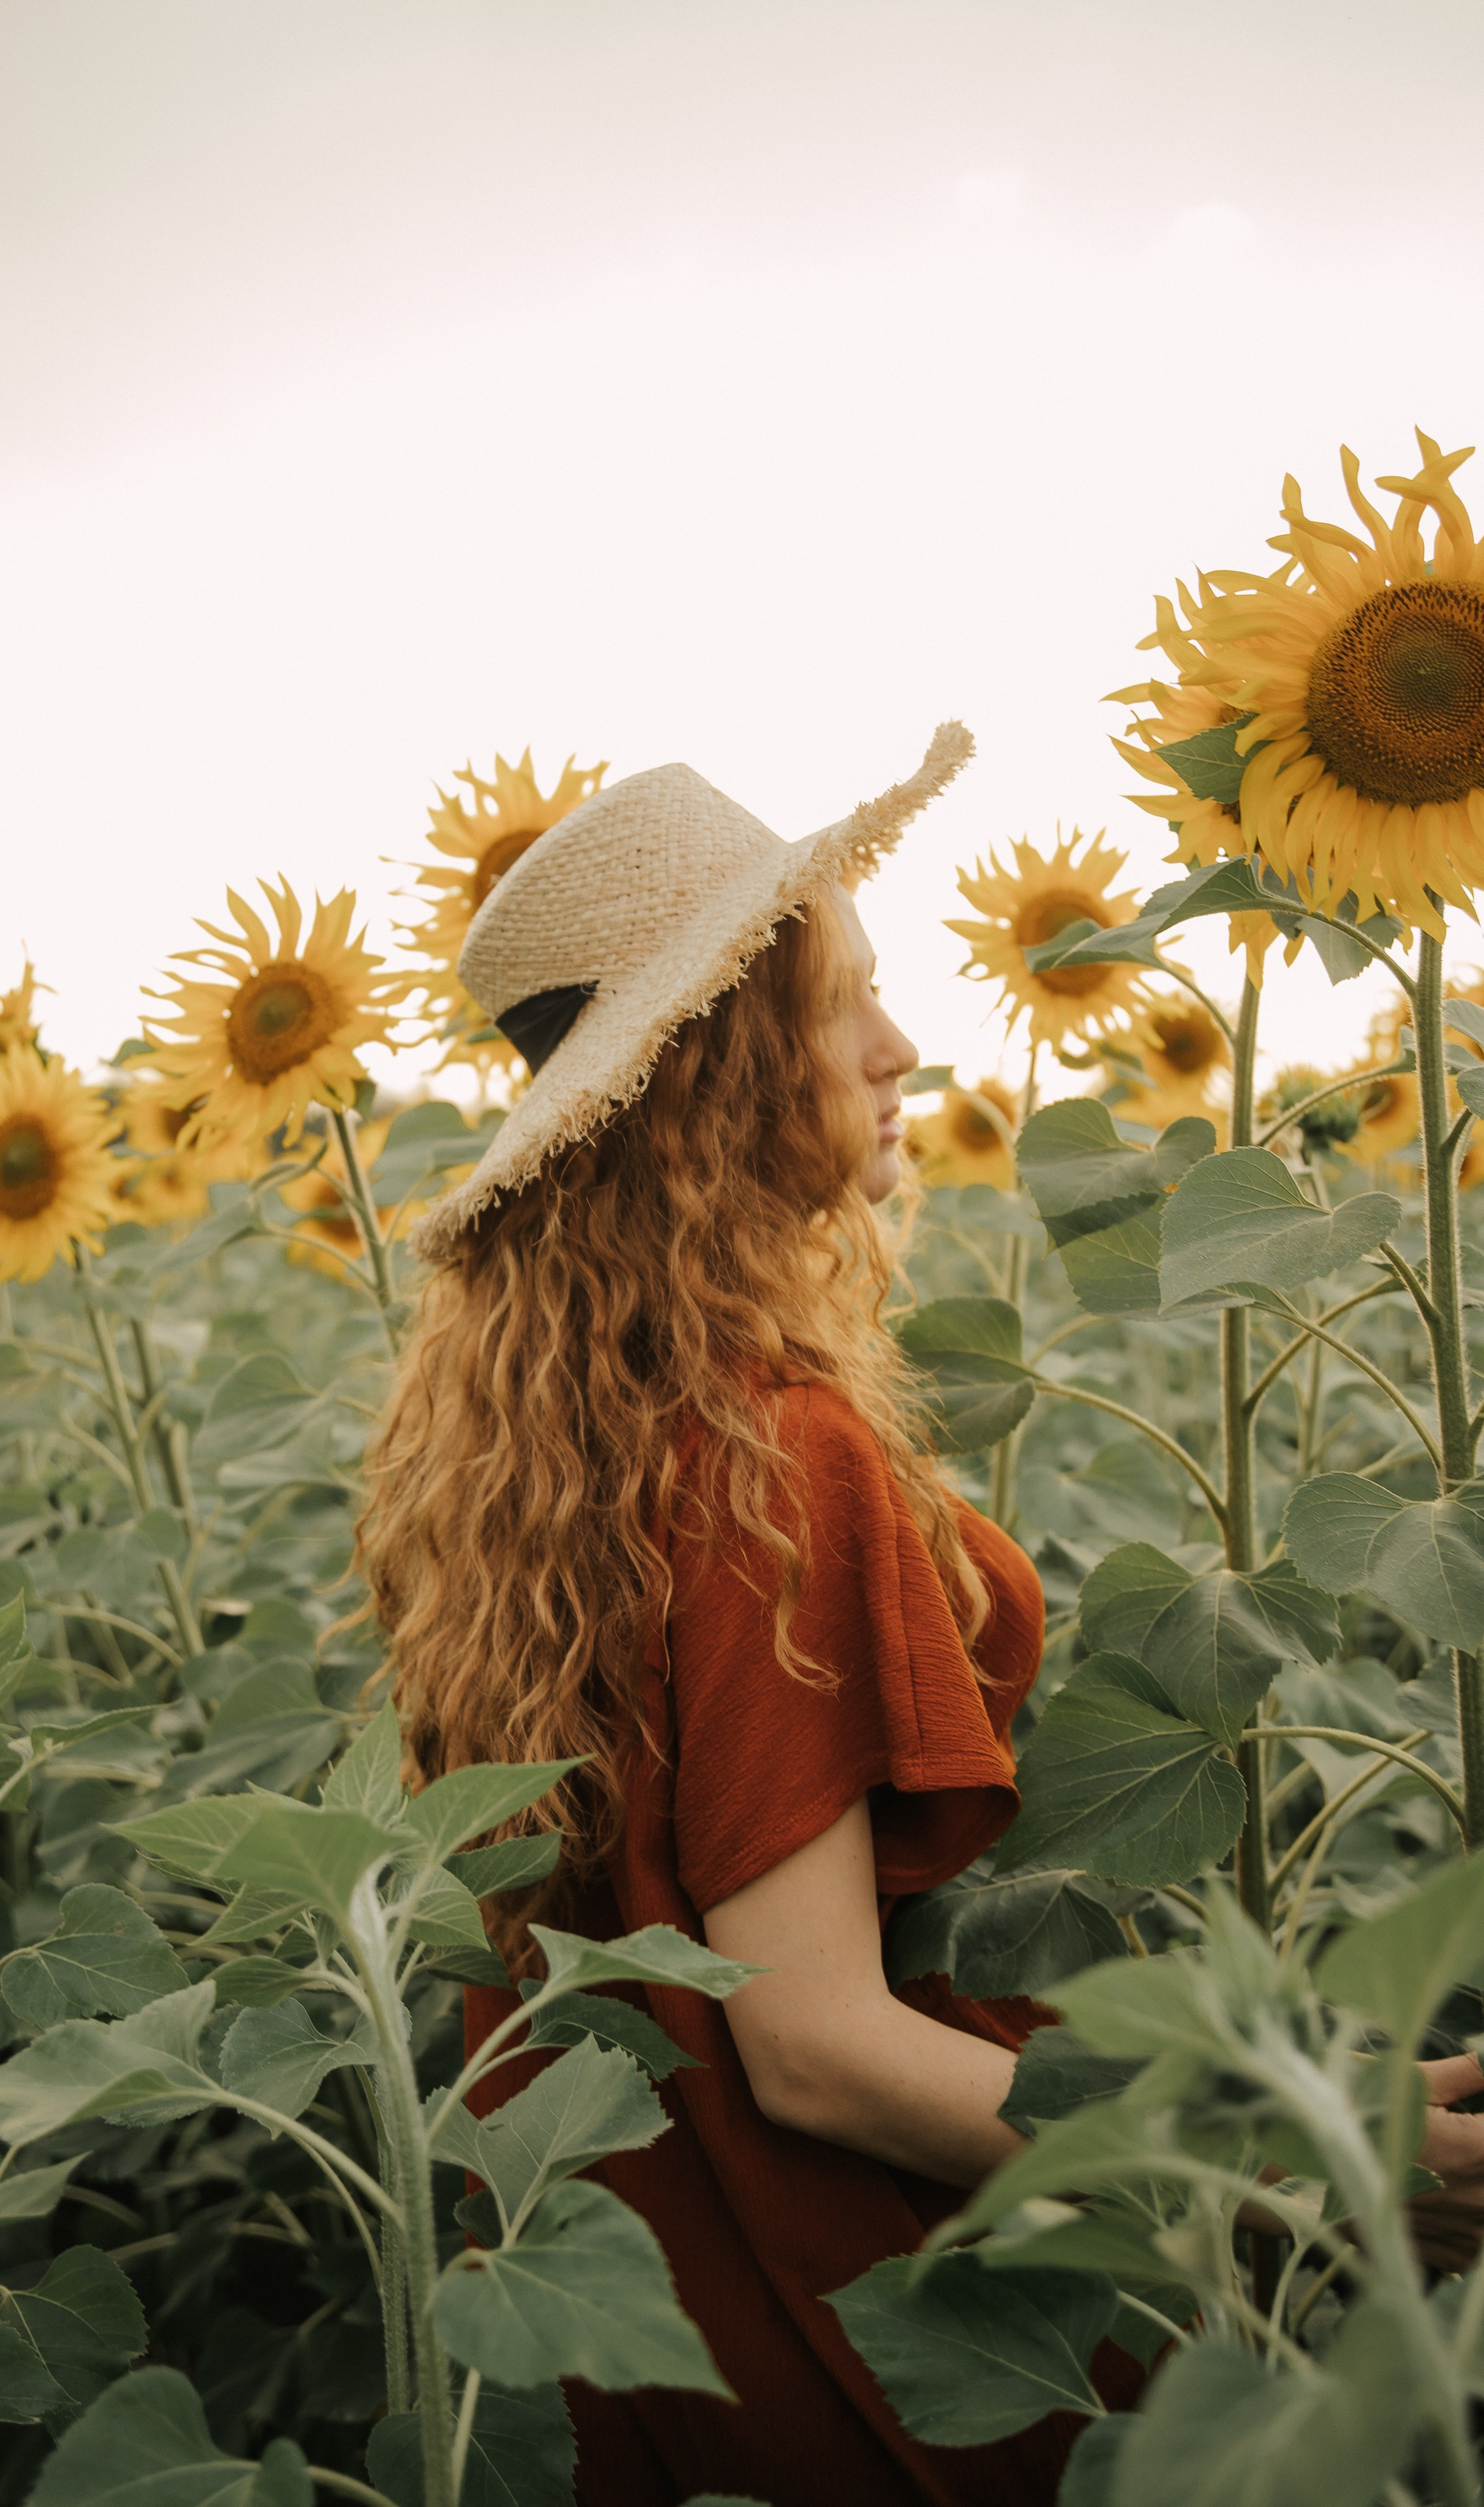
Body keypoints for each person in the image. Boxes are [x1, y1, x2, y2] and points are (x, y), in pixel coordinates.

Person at [357, 734, 1484, 2505]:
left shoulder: (550, 1451)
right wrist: (1305, 2161)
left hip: (633, 2283)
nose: (901, 1050)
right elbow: (815, 2045)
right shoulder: (770, 1454)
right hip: (858, 2302)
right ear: (717, 1077)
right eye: (843, 1007)